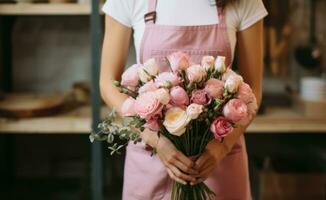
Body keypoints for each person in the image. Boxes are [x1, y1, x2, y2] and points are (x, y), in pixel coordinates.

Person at [100, 0, 267, 199]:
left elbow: (254, 90)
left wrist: (222, 147)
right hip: (152, 158)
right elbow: (107, 84)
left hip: (217, 159)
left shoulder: (243, 2)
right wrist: (155, 140)